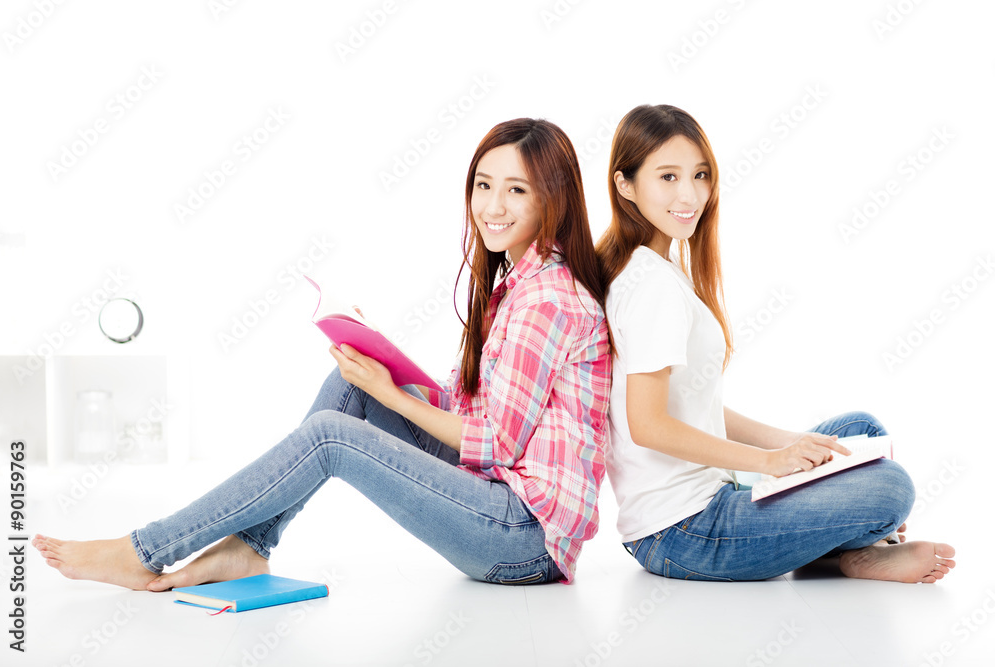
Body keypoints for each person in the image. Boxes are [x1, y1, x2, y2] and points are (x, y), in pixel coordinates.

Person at [34, 118, 612, 589]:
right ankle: (249, 548)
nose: (492, 205)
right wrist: (388, 370)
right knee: (351, 386)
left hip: (522, 540)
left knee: (331, 436)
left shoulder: (546, 300)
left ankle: (146, 551)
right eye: (484, 184)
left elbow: (498, 443)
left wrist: (394, 395)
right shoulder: (523, 280)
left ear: (552, 199)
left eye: (517, 190)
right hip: (501, 505)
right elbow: (489, 414)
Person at [594, 104, 955, 583]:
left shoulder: (652, 269)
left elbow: (690, 407)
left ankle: (839, 546)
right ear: (625, 185)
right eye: (667, 176)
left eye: (700, 174)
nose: (691, 194)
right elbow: (649, 426)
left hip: (701, 505)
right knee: (889, 489)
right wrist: (770, 462)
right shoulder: (651, 285)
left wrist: (789, 444)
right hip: (685, 531)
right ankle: (854, 553)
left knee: (858, 430)